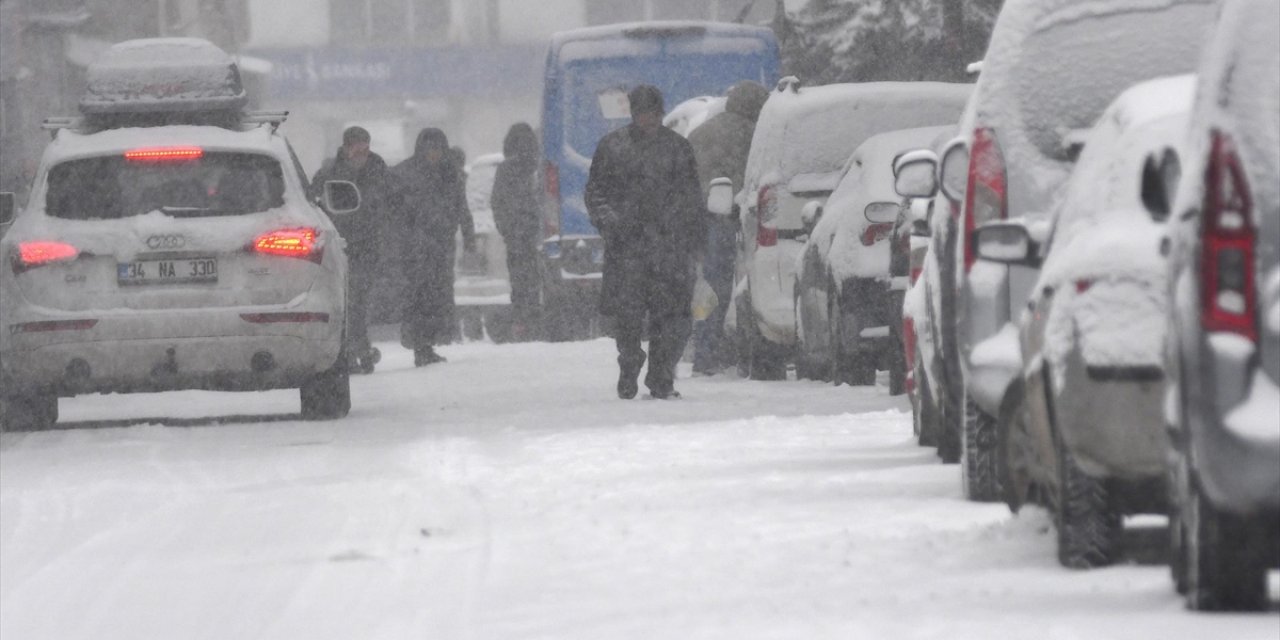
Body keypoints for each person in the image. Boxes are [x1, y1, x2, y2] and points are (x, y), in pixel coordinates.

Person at [585, 85, 705, 400]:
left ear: (660, 113)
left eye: (652, 113)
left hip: (669, 249)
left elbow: (692, 197)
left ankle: (661, 377)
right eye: (642, 113)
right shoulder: (613, 148)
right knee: (627, 318)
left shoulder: (678, 149)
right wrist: (611, 223)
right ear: (633, 114)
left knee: (672, 318)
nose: (647, 120)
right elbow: (596, 193)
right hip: (628, 249)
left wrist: (691, 237)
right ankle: (629, 362)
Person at [686, 80, 770, 375]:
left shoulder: (701, 132)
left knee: (710, 286)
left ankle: (704, 349)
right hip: (733, 218)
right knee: (740, 284)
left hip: (699, 218)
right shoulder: (752, 135)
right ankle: (735, 350)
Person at [310, 125, 395, 373]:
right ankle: (353, 350)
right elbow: (315, 202)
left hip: (369, 245)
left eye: (366, 147)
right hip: (341, 246)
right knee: (346, 302)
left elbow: (391, 203)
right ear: (346, 148)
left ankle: (356, 349)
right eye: (357, 147)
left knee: (358, 301)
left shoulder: (378, 170)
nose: (362, 153)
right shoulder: (330, 173)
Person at [394, 128, 476, 366]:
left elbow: (462, 207)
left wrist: (468, 238)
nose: (434, 154)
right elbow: (395, 211)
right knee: (418, 297)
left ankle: (430, 343)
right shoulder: (406, 174)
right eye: (429, 149)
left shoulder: (450, 174)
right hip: (416, 248)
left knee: (438, 297)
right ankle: (421, 345)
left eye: (438, 149)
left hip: (441, 246)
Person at [491, 122, 544, 340]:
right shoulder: (537, 166)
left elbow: (497, 202)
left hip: (518, 234)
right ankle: (535, 321)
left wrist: (507, 229)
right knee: (536, 278)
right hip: (536, 232)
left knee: (520, 280)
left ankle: (523, 322)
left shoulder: (506, 169)